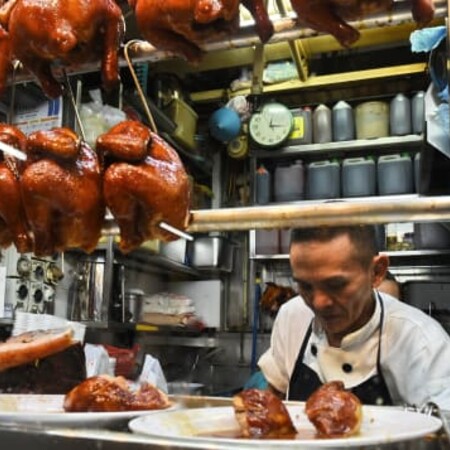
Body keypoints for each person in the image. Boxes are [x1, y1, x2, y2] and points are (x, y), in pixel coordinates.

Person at [258, 225, 450, 408]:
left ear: (376, 272)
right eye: (306, 286)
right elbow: (276, 393)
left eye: (336, 285)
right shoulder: (293, 315)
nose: (318, 303)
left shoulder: (423, 343)